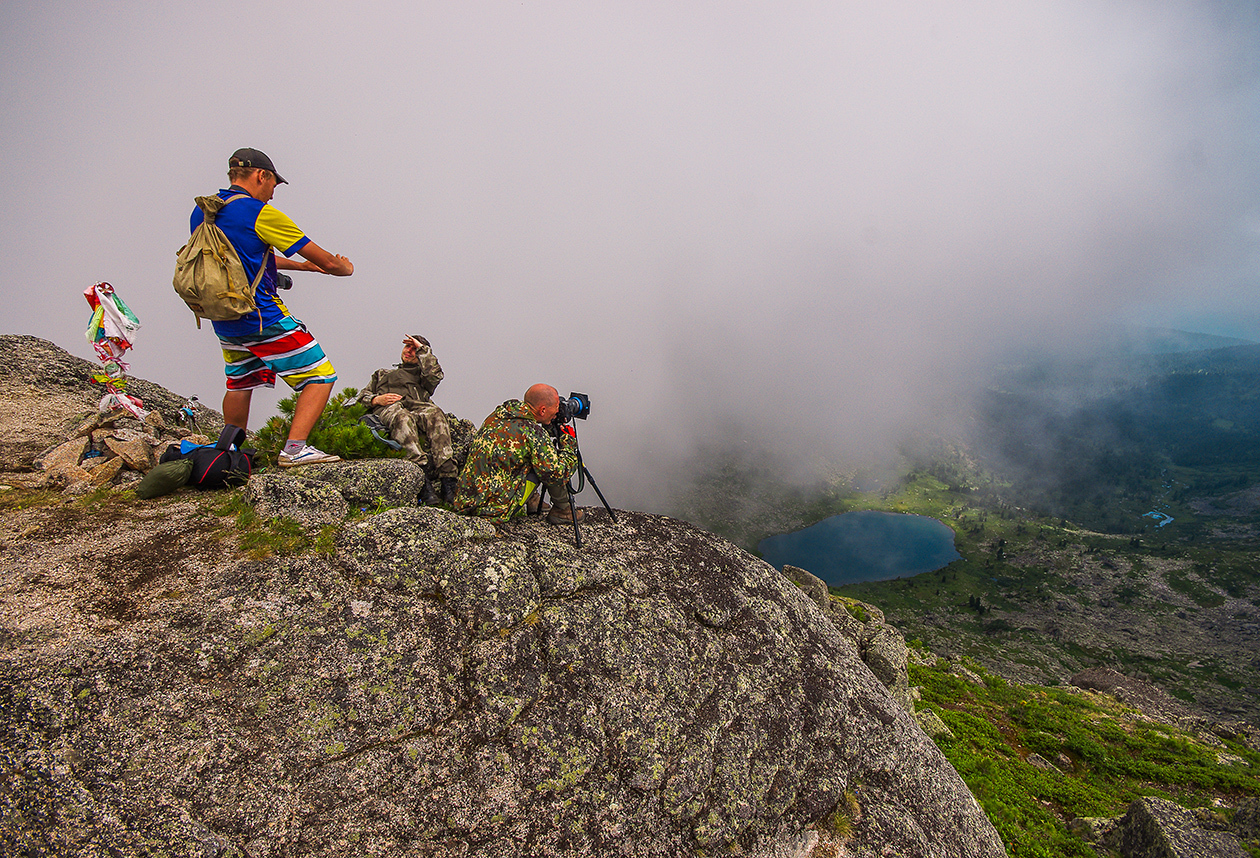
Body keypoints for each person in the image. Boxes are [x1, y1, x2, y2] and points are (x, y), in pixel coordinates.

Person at [190, 147, 354, 467]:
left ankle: (229, 452)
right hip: (260, 315)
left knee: (241, 380)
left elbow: (241, 256)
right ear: (260, 175)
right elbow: (326, 260)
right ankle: (295, 449)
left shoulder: (205, 211)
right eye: (273, 186)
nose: (272, 195)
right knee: (320, 375)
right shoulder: (260, 213)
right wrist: (342, 267)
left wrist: (303, 269)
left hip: (223, 315)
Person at [453, 383, 584, 525]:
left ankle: (534, 501)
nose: (558, 411)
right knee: (547, 463)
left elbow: (520, 437)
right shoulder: (535, 434)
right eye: (557, 407)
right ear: (543, 410)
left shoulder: (499, 415)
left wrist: (548, 427)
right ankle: (563, 511)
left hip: (465, 502)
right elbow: (557, 475)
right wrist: (569, 446)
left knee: (527, 458)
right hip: (492, 511)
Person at [357, 334, 458, 502]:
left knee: (436, 414)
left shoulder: (423, 377)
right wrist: (376, 399)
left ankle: (449, 481)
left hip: (417, 407)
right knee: (402, 418)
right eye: (407, 347)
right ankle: (422, 479)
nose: (409, 351)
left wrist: (423, 350)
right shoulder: (382, 374)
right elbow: (362, 396)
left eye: (414, 349)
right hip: (388, 408)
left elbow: (435, 375)